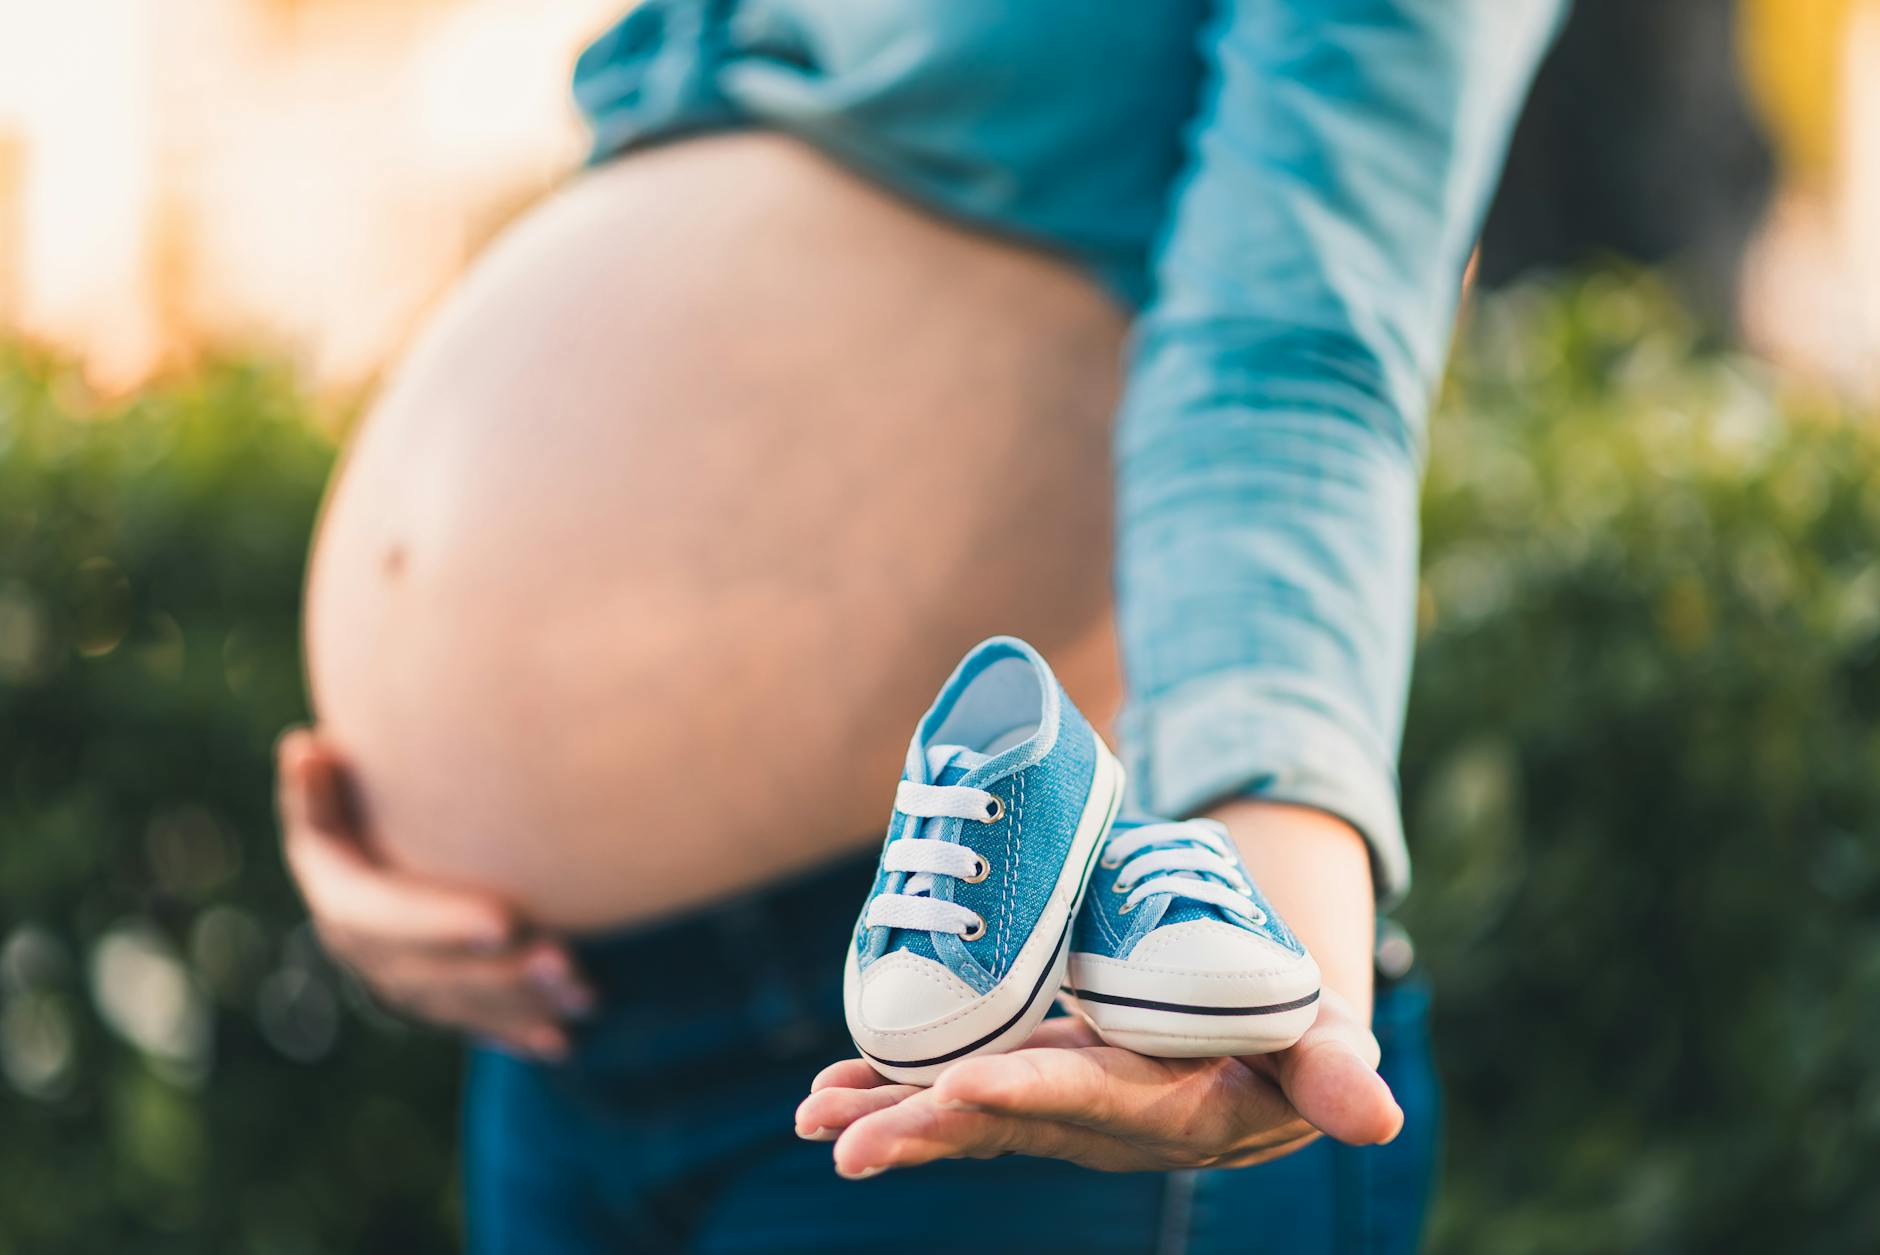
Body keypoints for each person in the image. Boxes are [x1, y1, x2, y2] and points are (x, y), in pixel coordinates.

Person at [277, 1, 1564, 1250]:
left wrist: (1277, 940)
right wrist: (404, 810)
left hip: (1003, 973)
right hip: (551, 1036)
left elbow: (1288, 351)